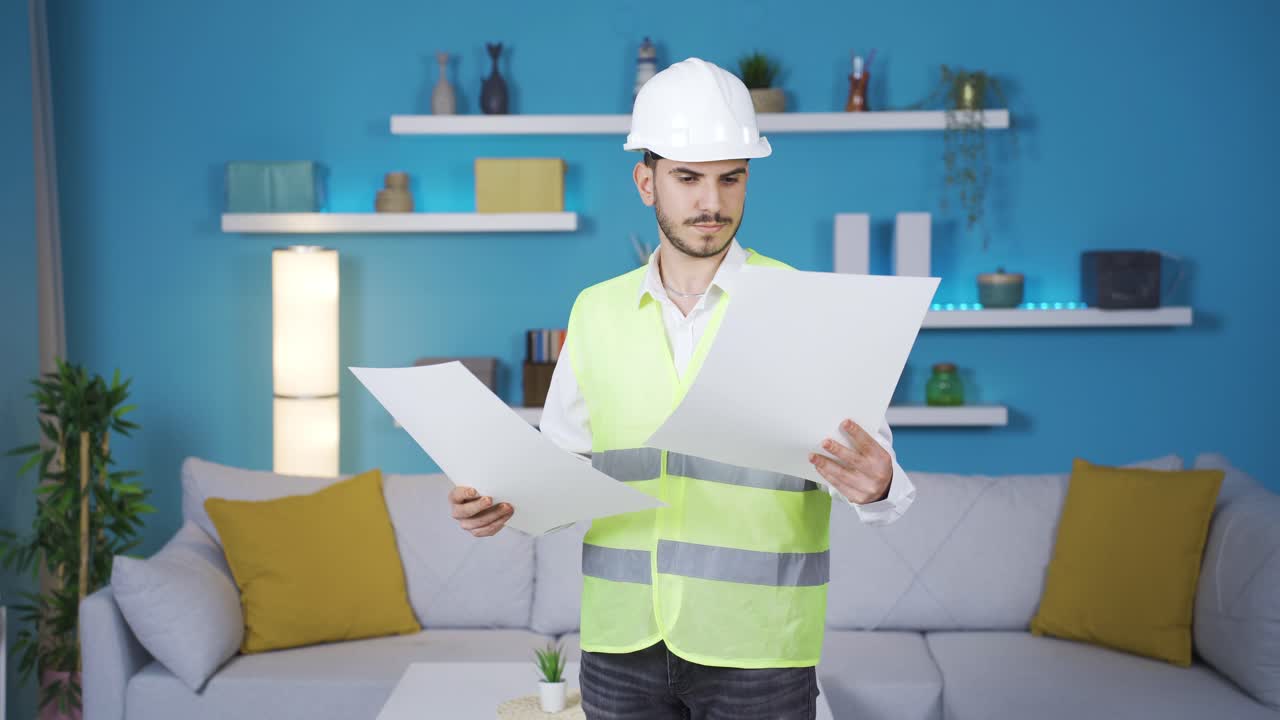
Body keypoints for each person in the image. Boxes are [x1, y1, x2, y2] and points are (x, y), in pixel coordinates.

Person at [448, 57, 916, 720]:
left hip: (760, 647)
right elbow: (560, 464)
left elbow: (882, 479)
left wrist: (880, 483)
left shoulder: (802, 307)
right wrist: (501, 501)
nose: (712, 203)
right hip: (621, 644)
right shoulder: (596, 311)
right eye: (688, 178)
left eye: (731, 179)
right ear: (646, 182)